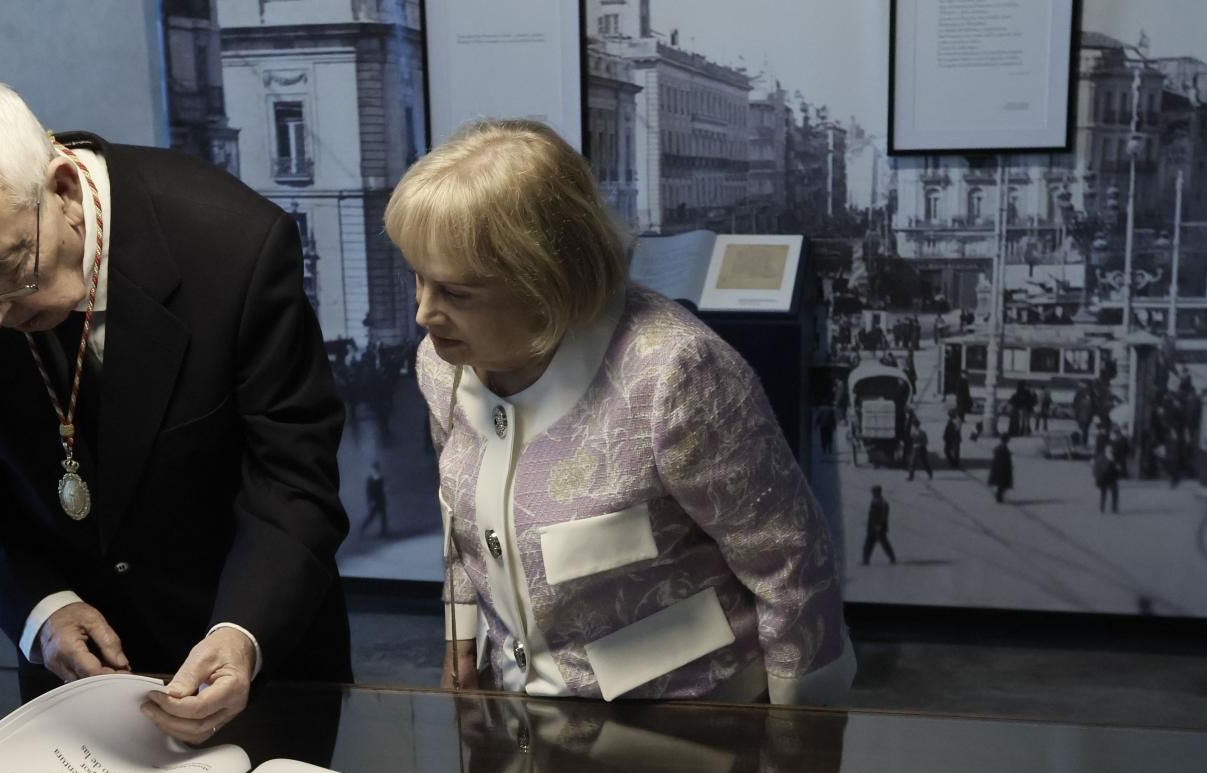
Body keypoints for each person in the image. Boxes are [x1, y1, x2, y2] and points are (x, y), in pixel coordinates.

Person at [0, 67, 351, 742]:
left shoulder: (233, 244)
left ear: (63, 190)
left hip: (252, 658)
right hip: (74, 683)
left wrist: (241, 635)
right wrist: (43, 608)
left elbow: (293, 477)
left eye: (2, 273)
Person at [388, 119, 853, 706]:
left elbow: (791, 564)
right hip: (526, 715)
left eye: (456, 293)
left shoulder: (677, 375)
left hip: (693, 719)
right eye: (418, 279)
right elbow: (460, 514)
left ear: (545, 282)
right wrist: (460, 639)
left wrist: (798, 749)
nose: (424, 315)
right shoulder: (441, 362)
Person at [863, 486, 897, 565]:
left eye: (874, 492)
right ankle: (865, 560)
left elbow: (883, 516)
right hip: (872, 527)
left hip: (879, 528)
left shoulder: (883, 503)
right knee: (869, 544)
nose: (873, 493)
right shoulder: (874, 502)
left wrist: (879, 525)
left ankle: (892, 558)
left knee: (884, 544)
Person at [1093, 438, 1120, 513]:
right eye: (1109, 448)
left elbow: (1117, 468)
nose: (1111, 450)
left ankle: (1114, 508)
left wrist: (1118, 471)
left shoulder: (1115, 457)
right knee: (1103, 494)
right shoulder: (1101, 458)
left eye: (1111, 448)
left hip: (1112, 478)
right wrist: (1098, 477)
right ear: (1106, 449)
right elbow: (1096, 469)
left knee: (1115, 493)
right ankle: (1102, 507)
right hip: (1103, 478)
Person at [363, 461, 389, 537]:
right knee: (371, 516)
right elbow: (369, 492)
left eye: (377, 468)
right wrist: (371, 501)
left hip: (381, 500)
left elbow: (384, 488)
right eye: (375, 468)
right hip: (374, 501)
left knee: (384, 516)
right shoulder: (370, 479)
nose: (376, 470)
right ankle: (362, 527)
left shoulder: (381, 478)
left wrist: (386, 490)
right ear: (373, 469)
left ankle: (384, 532)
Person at [905, 417, 933, 481]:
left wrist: (920, 444)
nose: (914, 426)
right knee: (912, 463)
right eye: (913, 425)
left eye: (914, 425)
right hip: (915, 449)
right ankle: (911, 476)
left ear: (917, 425)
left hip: (921, 449)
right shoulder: (912, 433)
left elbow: (925, 442)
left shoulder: (922, 433)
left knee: (924, 463)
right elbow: (910, 441)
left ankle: (930, 473)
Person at [989, 433, 1014, 503]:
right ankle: (998, 496)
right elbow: (1001, 459)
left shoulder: (1001, 448)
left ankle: (999, 496)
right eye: (1008, 440)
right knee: (1002, 484)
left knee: (1002, 485)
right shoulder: (1002, 448)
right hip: (1002, 469)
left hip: (1001, 469)